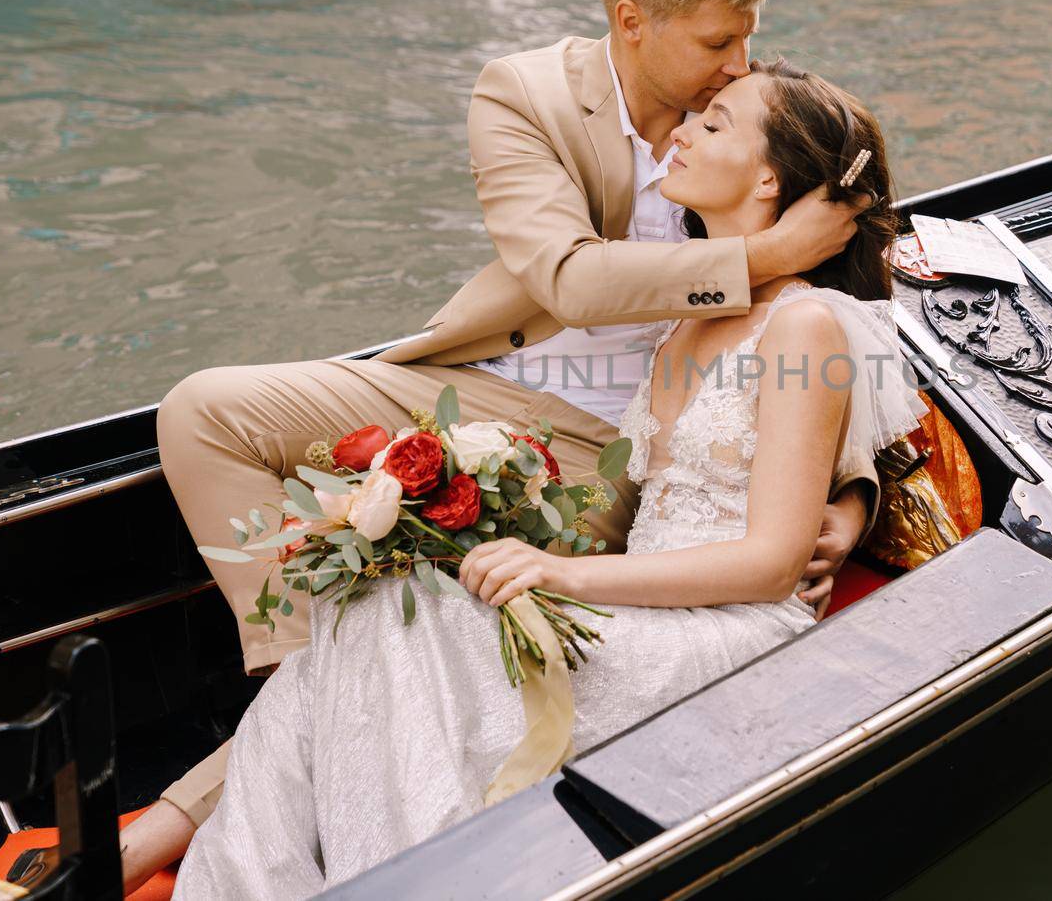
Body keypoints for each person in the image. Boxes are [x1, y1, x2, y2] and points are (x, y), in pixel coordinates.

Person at [86, 0, 878, 896]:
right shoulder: (528, 94)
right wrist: (760, 253)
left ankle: (189, 813)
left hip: (619, 462)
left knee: (393, 609)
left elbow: (840, 317)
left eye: (745, 37)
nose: (738, 63)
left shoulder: (741, 123)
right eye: (716, 43)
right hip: (491, 391)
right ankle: (306, 706)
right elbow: (572, 281)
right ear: (631, 21)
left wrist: (849, 497)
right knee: (204, 414)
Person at [172, 56, 923, 897]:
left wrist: (564, 571)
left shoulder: (804, 326)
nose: (682, 130)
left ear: (769, 179)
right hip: (640, 602)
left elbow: (772, 563)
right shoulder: (684, 321)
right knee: (380, 600)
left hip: (729, 632)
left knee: (414, 617)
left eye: (713, 126)